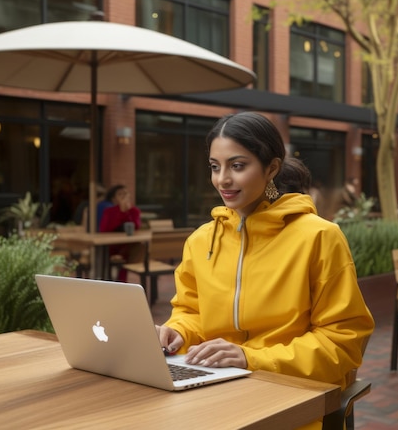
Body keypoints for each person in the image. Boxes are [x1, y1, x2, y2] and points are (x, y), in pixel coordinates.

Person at [156, 112, 374, 430]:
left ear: (271, 168)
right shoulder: (201, 240)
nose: (223, 180)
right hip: (214, 391)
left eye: (238, 166)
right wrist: (179, 332)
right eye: (215, 167)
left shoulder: (319, 237)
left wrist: (251, 358)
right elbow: (191, 311)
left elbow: (343, 342)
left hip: (289, 398)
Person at [99, 185, 142, 281]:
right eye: (120, 194)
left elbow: (136, 227)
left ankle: (122, 282)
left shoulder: (134, 211)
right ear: (114, 199)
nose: (124, 196)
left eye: (125, 193)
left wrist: (127, 211)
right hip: (112, 246)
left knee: (135, 249)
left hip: (128, 247)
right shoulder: (109, 212)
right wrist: (121, 211)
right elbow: (104, 229)